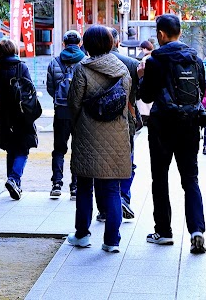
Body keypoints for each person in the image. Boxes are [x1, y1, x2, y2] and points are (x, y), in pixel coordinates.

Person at [137, 14, 206, 255]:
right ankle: (197, 230)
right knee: (190, 179)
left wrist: (141, 77)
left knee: (160, 178)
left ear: (160, 35)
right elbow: (202, 91)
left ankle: (164, 231)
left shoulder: (155, 60)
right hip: (190, 125)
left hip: (162, 126)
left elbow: (145, 96)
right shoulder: (194, 58)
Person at [65, 26, 132, 253]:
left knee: (84, 186)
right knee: (112, 189)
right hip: (116, 134)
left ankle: (82, 235)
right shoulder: (123, 69)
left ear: (88, 45)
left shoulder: (83, 69)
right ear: (110, 43)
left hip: (87, 133)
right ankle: (112, 240)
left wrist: (78, 124)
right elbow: (124, 102)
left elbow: (73, 103)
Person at [92, 28, 139, 221]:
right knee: (126, 160)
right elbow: (139, 93)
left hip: (96, 121)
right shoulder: (132, 64)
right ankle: (123, 197)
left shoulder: (88, 64)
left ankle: (104, 209)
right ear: (117, 42)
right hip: (125, 118)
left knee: (100, 165)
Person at [0, 38, 38, 200]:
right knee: (23, 149)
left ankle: (15, 183)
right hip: (22, 114)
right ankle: (14, 179)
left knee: (11, 149)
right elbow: (30, 89)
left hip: (4, 114)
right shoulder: (21, 67)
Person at [46, 30, 85, 199]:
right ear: (80, 43)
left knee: (59, 149)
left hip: (61, 111)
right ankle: (75, 186)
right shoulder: (84, 62)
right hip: (79, 113)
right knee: (78, 149)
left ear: (63, 43)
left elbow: (50, 88)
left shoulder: (54, 63)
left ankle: (56, 183)